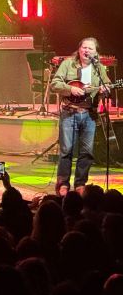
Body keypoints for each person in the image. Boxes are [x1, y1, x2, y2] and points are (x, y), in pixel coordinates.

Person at [50, 37, 112, 194]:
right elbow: (54, 84)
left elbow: (107, 85)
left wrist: (105, 90)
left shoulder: (99, 68)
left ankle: (80, 184)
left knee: (87, 152)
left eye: (90, 49)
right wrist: (70, 89)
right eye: (84, 47)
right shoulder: (68, 64)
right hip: (69, 112)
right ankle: (63, 184)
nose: (86, 51)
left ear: (96, 52)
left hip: (89, 115)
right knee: (66, 150)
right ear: (79, 49)